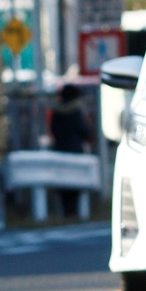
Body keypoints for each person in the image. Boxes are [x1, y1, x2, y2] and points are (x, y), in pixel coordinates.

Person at [50, 83, 94, 217]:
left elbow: (53, 130)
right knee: (76, 183)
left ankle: (65, 212)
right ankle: (74, 211)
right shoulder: (77, 111)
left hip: (59, 150)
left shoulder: (56, 111)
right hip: (75, 150)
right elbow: (84, 131)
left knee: (63, 185)